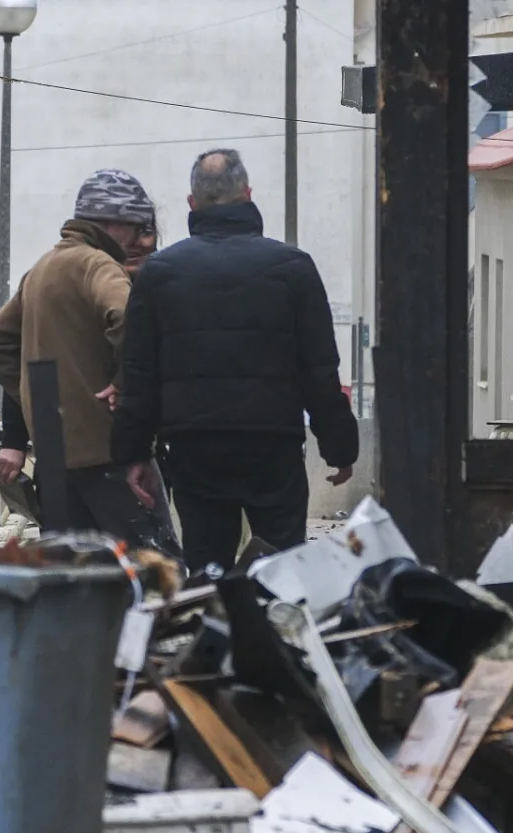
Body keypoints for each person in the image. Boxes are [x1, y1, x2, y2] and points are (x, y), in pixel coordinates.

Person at [110, 148, 358, 576]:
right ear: (248, 194)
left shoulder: (161, 273)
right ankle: (278, 637)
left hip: (195, 447)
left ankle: (215, 637)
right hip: (273, 447)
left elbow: (140, 374)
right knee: (282, 569)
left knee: (208, 569)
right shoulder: (293, 269)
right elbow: (319, 369)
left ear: (192, 203)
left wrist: (133, 453)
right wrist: (340, 446)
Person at [0, 168, 178, 552]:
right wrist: (125, 382)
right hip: (110, 453)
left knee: (73, 576)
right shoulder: (98, 265)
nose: (137, 238)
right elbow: (129, 319)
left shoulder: (40, 270)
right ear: (110, 223)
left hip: (54, 463)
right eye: (134, 227)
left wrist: (41, 402)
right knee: (154, 571)